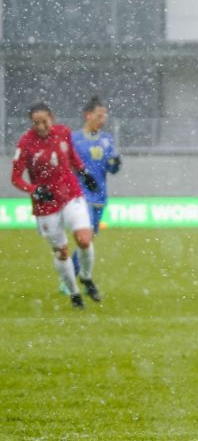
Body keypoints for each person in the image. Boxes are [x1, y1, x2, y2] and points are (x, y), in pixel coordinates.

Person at [10, 102, 102, 308]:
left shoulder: (63, 133)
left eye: (44, 121)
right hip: (46, 203)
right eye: (36, 123)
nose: (41, 126)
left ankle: (86, 278)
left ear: (52, 117)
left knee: (84, 239)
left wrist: (84, 172)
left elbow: (71, 156)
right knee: (62, 251)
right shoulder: (25, 143)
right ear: (31, 123)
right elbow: (15, 178)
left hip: (70, 194)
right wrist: (34, 189)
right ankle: (74, 294)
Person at [71, 96, 121, 279]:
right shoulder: (74, 139)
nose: (103, 119)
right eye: (99, 115)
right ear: (88, 116)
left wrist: (116, 163)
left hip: (100, 195)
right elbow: (67, 164)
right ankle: (72, 277)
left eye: (104, 116)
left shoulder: (106, 139)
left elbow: (112, 168)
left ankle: (70, 274)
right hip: (81, 195)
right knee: (86, 237)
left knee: (88, 239)